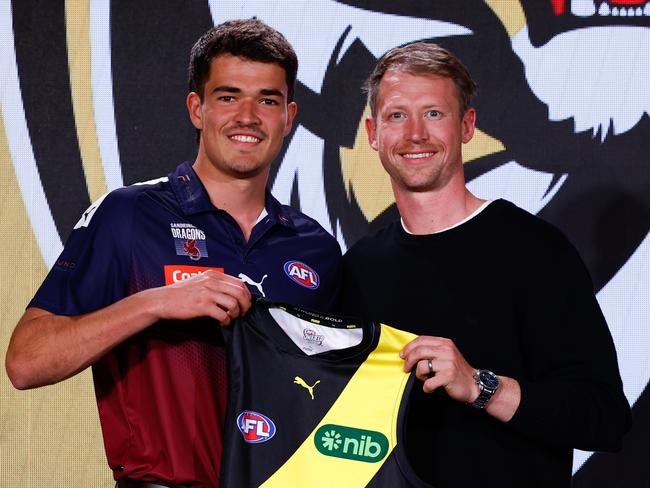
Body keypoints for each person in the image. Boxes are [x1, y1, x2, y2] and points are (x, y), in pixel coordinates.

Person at [5, 19, 341, 487]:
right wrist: (157, 302)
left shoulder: (318, 248)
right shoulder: (130, 214)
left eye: (267, 100)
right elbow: (26, 362)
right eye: (228, 97)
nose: (247, 116)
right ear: (196, 109)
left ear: (288, 116)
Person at [341, 42, 631, 488]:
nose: (415, 133)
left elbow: (603, 417)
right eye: (397, 115)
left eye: (434, 113)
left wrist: (480, 385)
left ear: (467, 126)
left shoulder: (535, 251)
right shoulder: (359, 267)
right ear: (374, 133)